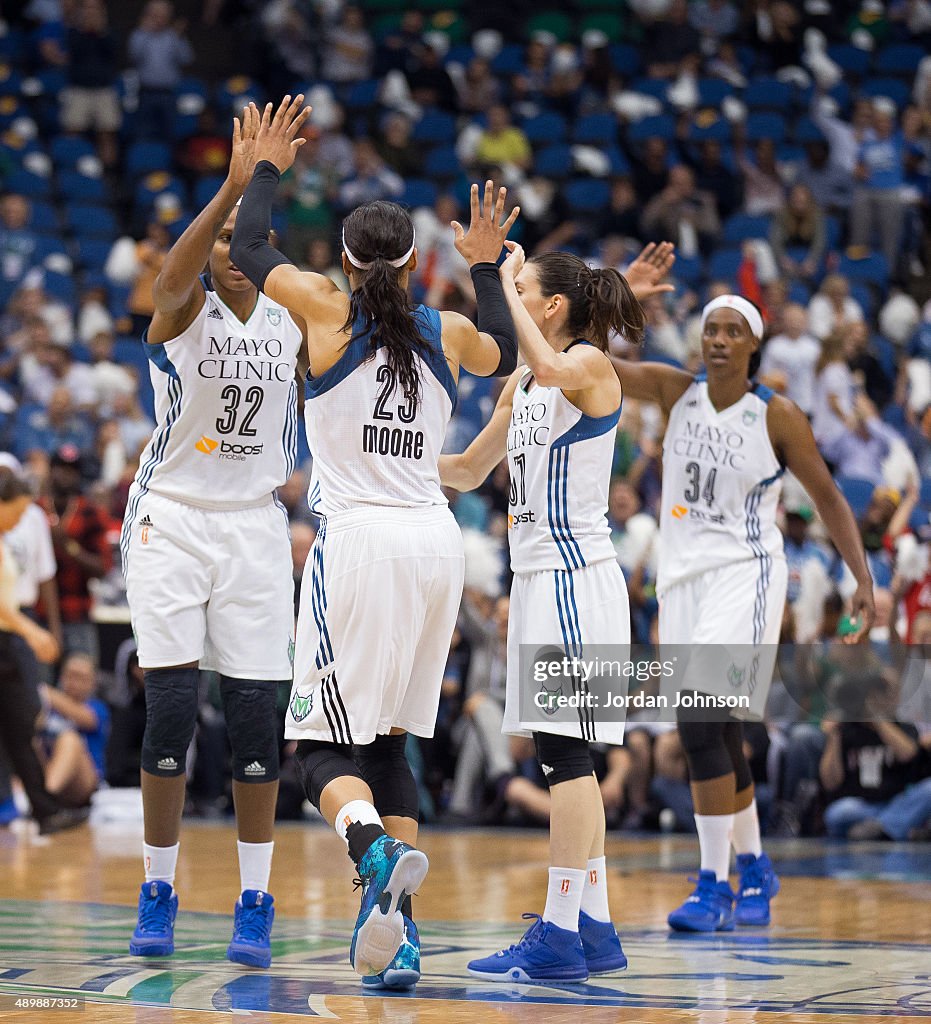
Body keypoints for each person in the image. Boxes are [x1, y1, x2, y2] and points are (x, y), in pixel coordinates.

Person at [229, 100, 519, 988]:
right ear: (409, 260)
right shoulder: (447, 329)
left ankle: (375, 857)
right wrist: (480, 267)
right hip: (435, 544)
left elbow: (246, 252)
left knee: (315, 752)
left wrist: (266, 168)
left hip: (356, 546)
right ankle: (399, 937)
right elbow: (504, 351)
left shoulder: (323, 306)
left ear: (348, 259)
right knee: (389, 748)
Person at [438, 243, 674, 982]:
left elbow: (548, 364)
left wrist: (500, 282)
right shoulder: (525, 383)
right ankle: (594, 928)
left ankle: (560, 929)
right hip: (538, 582)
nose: (513, 294)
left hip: (577, 581)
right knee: (560, 757)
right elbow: (470, 469)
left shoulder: (588, 369)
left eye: (522, 288)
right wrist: (382, 459)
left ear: (548, 307)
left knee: (565, 759)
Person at [612, 286, 875, 932]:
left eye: (733, 330)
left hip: (745, 575)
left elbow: (830, 499)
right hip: (681, 584)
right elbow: (595, 367)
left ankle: (712, 884)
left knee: (699, 725)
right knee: (719, 732)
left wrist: (862, 579)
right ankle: (755, 865)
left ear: (754, 344)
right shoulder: (677, 394)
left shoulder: (776, 415)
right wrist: (619, 300)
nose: (719, 339)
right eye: (710, 329)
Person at [121, 103, 304, 969]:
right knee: (166, 710)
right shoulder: (183, 314)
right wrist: (234, 183)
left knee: (255, 721)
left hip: (256, 530)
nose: (231, 248)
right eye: (222, 237)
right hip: (175, 518)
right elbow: (167, 279)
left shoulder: (296, 323)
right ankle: (158, 887)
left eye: (244, 234)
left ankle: (254, 899)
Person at [0, 467, 87, 834]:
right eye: (17, 510)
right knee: (21, 723)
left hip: (8, 638)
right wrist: (32, 631)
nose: (22, 518)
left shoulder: (4, 540)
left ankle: (43, 810)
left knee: (21, 724)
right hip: (9, 635)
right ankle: (43, 810)